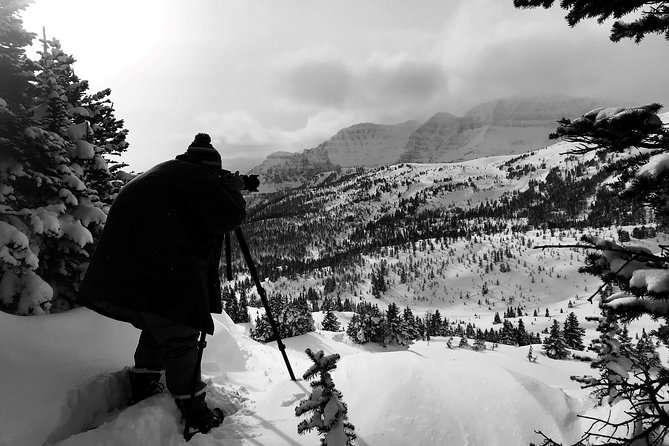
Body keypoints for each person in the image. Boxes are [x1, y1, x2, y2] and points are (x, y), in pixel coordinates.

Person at [79, 133, 247, 434]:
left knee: (159, 322)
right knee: (180, 330)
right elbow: (228, 217)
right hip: (161, 269)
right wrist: (233, 192)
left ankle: (143, 384)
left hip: (123, 268)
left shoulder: (167, 172)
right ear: (212, 169)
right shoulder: (199, 179)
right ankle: (193, 413)